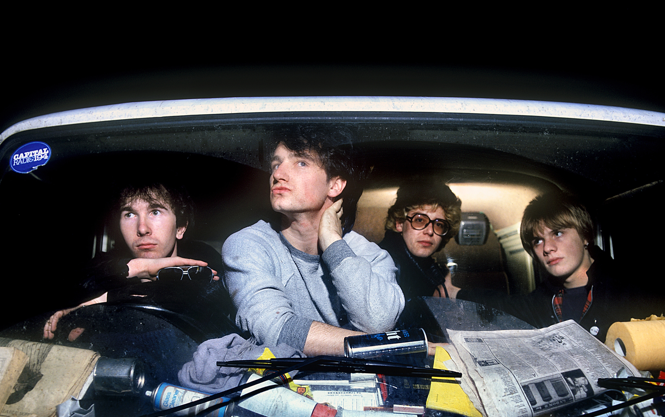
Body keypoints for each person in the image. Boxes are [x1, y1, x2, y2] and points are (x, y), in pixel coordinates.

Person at [222, 126, 404, 356]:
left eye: (301, 163)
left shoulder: (370, 255)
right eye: (276, 164)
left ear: (335, 185)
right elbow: (276, 330)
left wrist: (333, 244)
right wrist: (383, 344)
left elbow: (380, 322)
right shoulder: (247, 245)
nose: (278, 174)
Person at [449, 190, 664, 342]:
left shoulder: (632, 290)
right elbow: (503, 305)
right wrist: (455, 293)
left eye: (558, 233)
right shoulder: (544, 299)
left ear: (585, 236)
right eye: (538, 240)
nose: (547, 248)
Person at [44, 180, 223, 340]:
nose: (142, 228)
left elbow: (202, 301)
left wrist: (104, 301)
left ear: (180, 227)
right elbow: (68, 286)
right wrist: (141, 267)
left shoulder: (202, 256)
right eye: (129, 214)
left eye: (155, 212)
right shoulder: (108, 262)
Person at [378, 179, 461, 300]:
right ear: (400, 223)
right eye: (420, 220)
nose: (430, 231)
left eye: (439, 225)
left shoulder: (431, 270)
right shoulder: (384, 264)